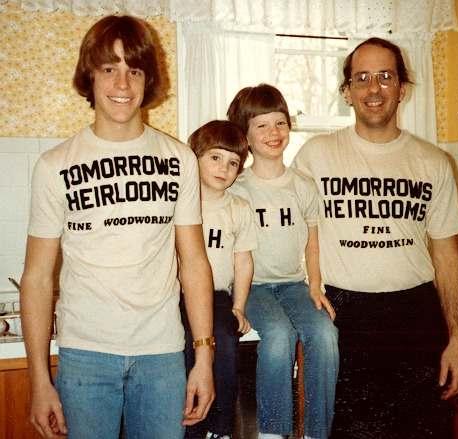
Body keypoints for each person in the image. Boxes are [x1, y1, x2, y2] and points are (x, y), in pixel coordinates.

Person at [19, 15, 215, 439]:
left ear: (148, 80)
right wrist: (39, 377)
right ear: (89, 76)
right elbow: (36, 276)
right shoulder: (55, 166)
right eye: (109, 68)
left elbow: (195, 263)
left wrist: (204, 358)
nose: (122, 84)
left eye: (135, 70)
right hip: (85, 356)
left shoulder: (179, 159)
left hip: (162, 354)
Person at [293, 37, 458, 438]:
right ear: (347, 92)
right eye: (363, 78)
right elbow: (288, 234)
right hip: (342, 314)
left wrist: (457, 337)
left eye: (386, 77)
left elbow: (446, 253)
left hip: (416, 316)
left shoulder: (434, 162)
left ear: (402, 88)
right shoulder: (314, 156)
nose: (374, 89)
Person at [227, 84, 339, 439]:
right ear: (245, 135)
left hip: (293, 285)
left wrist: (315, 285)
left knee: (325, 333)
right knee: (278, 334)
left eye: (280, 123)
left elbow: (312, 242)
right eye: (261, 125)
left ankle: (315, 433)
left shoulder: (303, 185)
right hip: (252, 287)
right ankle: (272, 433)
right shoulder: (236, 187)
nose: (273, 132)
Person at [181, 120, 257, 439]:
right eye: (215, 157)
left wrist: (239, 306)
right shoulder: (179, 203)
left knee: (224, 340)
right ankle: (189, 427)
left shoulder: (238, 208)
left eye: (233, 163)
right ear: (194, 157)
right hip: (178, 295)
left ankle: (220, 428)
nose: (223, 168)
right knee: (184, 344)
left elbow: (243, 261)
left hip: (217, 297)